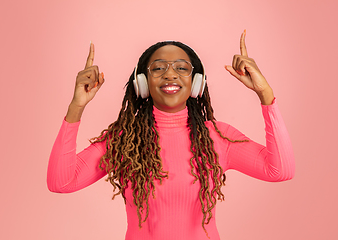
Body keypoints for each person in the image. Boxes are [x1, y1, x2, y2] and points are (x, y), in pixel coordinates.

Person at [47, 30, 295, 240]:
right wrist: (76, 107)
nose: (170, 74)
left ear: (196, 82)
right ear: (142, 82)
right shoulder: (124, 141)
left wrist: (265, 94)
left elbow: (280, 170)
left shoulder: (218, 138)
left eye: (181, 67)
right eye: (158, 68)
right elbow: (61, 182)